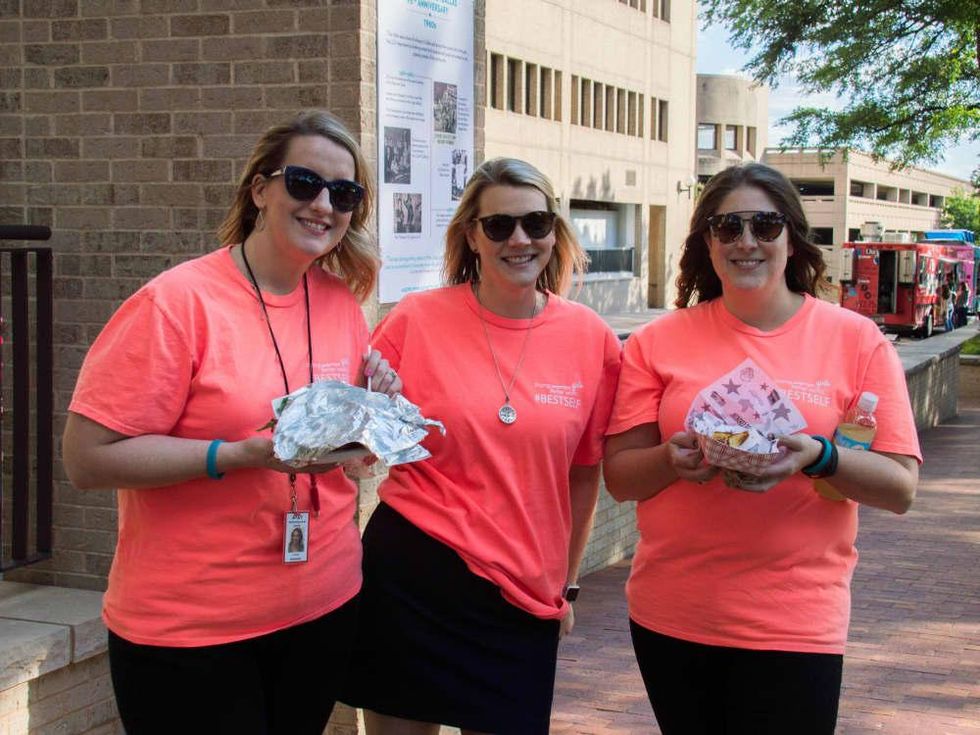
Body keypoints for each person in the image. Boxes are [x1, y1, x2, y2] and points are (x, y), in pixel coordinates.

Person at [61, 110, 401, 735]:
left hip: (322, 605)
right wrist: (238, 455)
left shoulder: (339, 304)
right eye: (304, 182)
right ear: (260, 190)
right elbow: (86, 459)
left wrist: (370, 418)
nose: (324, 204)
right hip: (192, 629)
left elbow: (352, 468)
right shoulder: (177, 303)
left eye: (345, 193)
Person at [603, 162, 921, 735]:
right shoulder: (657, 341)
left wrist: (818, 456)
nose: (746, 241)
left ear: (792, 237)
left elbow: (900, 487)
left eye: (765, 225)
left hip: (797, 617)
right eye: (728, 227)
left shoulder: (856, 340)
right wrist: (673, 461)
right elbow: (622, 478)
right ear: (708, 241)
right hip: (675, 614)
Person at [343, 157, 622, 735]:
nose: (519, 239)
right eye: (499, 226)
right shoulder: (416, 319)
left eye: (536, 224)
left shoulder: (589, 338)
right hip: (413, 574)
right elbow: (359, 443)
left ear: (554, 232)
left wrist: (566, 586)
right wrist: (369, 408)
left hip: (522, 590)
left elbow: (583, 475)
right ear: (472, 235)